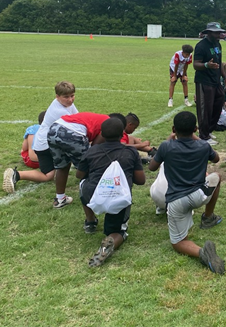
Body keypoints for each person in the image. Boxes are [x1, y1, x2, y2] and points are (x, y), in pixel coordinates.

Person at [149, 111, 226, 275]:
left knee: (177, 243)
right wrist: (196, 137)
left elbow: (152, 167)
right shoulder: (203, 146)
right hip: (200, 195)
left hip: (177, 200)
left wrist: (169, 139)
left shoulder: (166, 146)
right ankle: (208, 217)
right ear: (196, 129)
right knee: (217, 177)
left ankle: (201, 253)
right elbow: (217, 159)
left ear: (173, 129)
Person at [75, 117, 145, 267]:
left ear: (102, 134)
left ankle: (90, 221)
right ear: (122, 134)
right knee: (118, 230)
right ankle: (111, 240)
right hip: (118, 198)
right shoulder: (131, 152)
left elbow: (79, 175)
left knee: (82, 184)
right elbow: (141, 181)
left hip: (93, 195)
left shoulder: (92, 151)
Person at [47, 111, 124, 209]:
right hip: (72, 133)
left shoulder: (99, 117)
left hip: (54, 128)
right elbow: (94, 148)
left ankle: (60, 199)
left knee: (62, 166)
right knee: (87, 168)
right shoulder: (108, 124)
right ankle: (91, 199)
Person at [31, 81, 78, 204]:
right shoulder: (59, 111)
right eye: (66, 97)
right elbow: (75, 127)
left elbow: (78, 117)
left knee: (51, 173)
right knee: (58, 169)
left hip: (47, 142)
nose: (70, 100)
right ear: (57, 96)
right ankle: (61, 197)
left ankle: (17, 175)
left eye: (72, 95)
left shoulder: (64, 104)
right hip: (45, 145)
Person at [193, 22, 226, 145]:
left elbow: (219, 63)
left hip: (216, 81)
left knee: (219, 103)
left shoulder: (218, 45)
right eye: (216, 33)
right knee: (206, 109)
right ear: (208, 33)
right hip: (204, 81)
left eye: (219, 32)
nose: (218, 35)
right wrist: (206, 65)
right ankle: (203, 136)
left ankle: (208, 130)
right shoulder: (201, 46)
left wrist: (225, 77)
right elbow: (195, 65)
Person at [3, 111, 53, 194]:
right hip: (40, 160)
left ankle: (16, 174)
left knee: (24, 151)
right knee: (49, 175)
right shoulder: (52, 131)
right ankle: (17, 175)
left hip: (29, 159)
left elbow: (24, 147)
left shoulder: (33, 129)